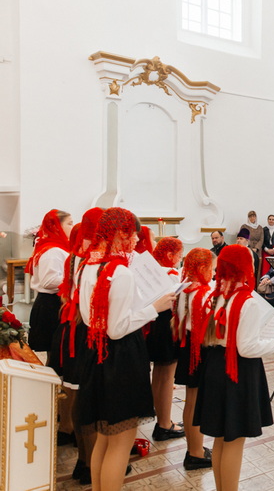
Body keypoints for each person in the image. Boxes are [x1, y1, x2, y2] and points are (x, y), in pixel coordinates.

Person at [77, 208, 176, 490]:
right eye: (132, 234)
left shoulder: (89, 265)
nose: (135, 240)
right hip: (121, 358)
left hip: (96, 352)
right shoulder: (120, 271)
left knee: (104, 438)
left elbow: (92, 318)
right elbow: (117, 328)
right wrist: (154, 308)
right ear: (120, 233)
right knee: (121, 444)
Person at [194, 244, 274, 491]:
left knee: (220, 439)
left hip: (215, 367)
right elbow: (246, 347)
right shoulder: (247, 301)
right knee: (234, 440)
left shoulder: (215, 295)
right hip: (237, 371)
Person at [52, 208, 103, 485]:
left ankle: (84, 461)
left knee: (78, 395)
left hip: (70, 326)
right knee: (89, 400)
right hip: (84, 331)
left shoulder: (74, 255)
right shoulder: (92, 259)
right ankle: (90, 463)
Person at [173, 247, 215, 470]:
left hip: (187, 344)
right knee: (197, 403)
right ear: (203, 268)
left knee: (191, 400)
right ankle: (196, 453)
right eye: (212, 269)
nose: (213, 273)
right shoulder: (204, 292)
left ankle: (193, 448)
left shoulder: (185, 287)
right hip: (200, 349)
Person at [149, 237, 186, 442]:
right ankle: (164, 423)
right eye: (179, 255)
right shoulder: (171, 274)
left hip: (155, 324)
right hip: (167, 325)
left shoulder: (152, 271)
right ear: (170, 255)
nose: (180, 259)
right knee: (166, 377)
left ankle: (162, 419)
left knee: (159, 374)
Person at [27, 209, 72, 356]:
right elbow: (48, 281)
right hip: (51, 304)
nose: (72, 227)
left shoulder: (57, 247)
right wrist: (75, 279)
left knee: (58, 353)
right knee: (55, 353)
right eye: (69, 223)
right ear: (57, 227)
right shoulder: (52, 251)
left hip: (53, 302)